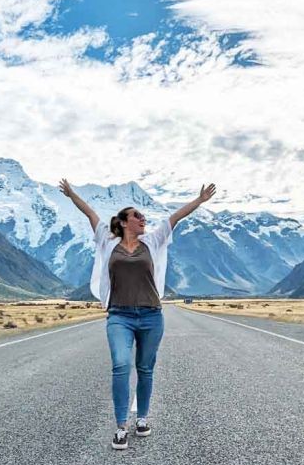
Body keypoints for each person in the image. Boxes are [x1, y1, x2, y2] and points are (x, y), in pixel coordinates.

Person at [59, 179, 216, 450]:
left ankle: (142, 418)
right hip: (119, 315)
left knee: (145, 369)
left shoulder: (153, 241)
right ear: (122, 222)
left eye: (143, 216)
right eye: (137, 216)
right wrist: (72, 194)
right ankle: (121, 426)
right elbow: (89, 213)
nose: (143, 219)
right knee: (121, 365)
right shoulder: (107, 242)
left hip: (152, 315)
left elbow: (175, 217)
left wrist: (199, 200)